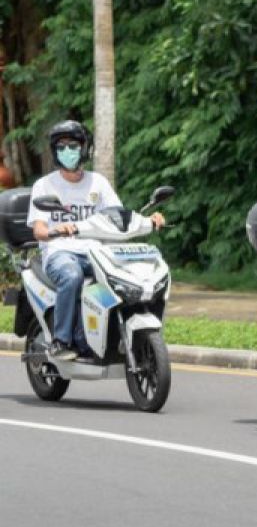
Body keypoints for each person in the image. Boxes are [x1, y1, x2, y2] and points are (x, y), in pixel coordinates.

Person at [26, 120, 164, 361]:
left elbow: (117, 217)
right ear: (55, 152)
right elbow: (38, 230)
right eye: (61, 146)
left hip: (96, 252)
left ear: (84, 148)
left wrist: (148, 220)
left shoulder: (98, 182)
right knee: (71, 276)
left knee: (128, 278)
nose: (68, 151)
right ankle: (61, 341)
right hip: (60, 252)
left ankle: (111, 336)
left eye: (73, 145)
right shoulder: (44, 185)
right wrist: (57, 229)